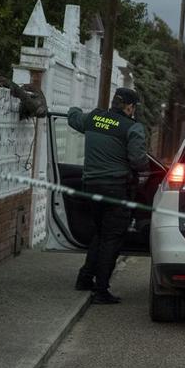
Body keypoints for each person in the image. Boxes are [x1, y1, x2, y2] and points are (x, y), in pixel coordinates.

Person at [67, 87, 148, 304]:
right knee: (112, 239)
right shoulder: (132, 128)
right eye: (134, 107)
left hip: (90, 187)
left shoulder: (94, 118)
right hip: (116, 190)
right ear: (130, 106)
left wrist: (74, 105)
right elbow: (139, 162)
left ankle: (85, 279)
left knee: (100, 233)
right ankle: (101, 290)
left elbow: (73, 117)